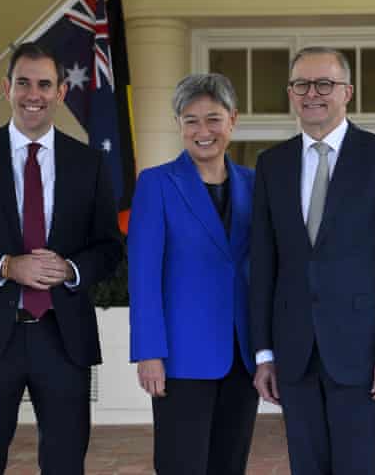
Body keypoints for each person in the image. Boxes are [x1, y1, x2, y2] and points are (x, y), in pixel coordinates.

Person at [0, 42, 122, 474]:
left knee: (66, 462)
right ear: (6, 88)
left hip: (63, 337)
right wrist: (6, 266)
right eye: (24, 83)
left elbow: (109, 247)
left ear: (61, 92)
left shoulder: (88, 163)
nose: (34, 94)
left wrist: (71, 270)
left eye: (45, 85)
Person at [249, 46, 375, 475]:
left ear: (347, 92)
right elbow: (263, 266)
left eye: (324, 84)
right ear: (291, 93)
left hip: (363, 355)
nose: (313, 94)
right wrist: (264, 353)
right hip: (295, 353)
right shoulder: (272, 164)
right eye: (301, 84)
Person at [128, 73, 258, 475]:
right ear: (179, 126)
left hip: (242, 354)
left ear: (232, 120)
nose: (203, 131)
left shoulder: (255, 185)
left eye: (213, 119)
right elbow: (143, 274)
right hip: (181, 358)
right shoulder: (156, 184)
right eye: (191, 120)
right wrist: (149, 352)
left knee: (229, 464)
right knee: (181, 465)